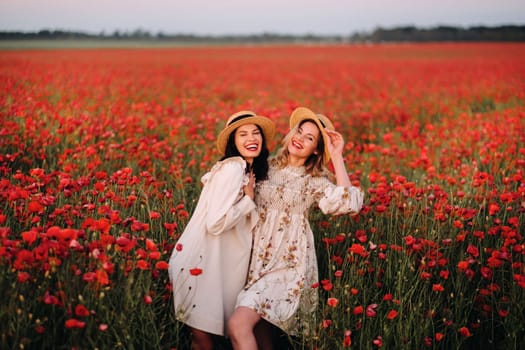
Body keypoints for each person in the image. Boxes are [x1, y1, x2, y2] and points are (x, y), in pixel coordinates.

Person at [227, 107, 364, 349]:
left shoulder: (315, 181)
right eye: (299, 132)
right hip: (253, 260)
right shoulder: (264, 167)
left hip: (286, 264)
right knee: (260, 334)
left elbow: (348, 203)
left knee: (239, 324)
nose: (300, 139)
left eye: (309, 138)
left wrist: (337, 156)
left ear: (317, 149)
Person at [168, 111, 275, 350]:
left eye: (256, 133)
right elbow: (215, 223)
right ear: (233, 142)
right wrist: (248, 201)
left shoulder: (246, 171)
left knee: (204, 339)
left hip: (210, 265)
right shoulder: (233, 168)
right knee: (203, 340)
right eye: (243, 134)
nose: (251, 138)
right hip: (200, 264)